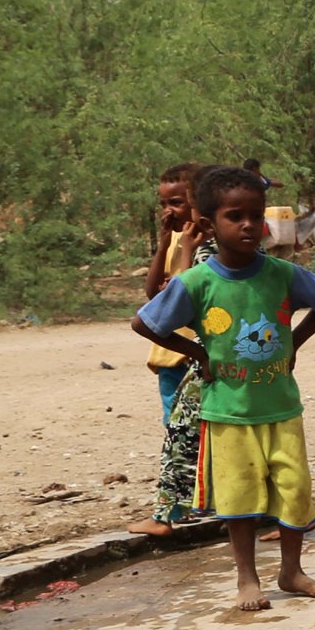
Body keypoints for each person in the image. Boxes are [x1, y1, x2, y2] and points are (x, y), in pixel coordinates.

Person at [132, 165, 315, 612]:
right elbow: (144, 322)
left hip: (282, 406)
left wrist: (293, 344)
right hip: (227, 412)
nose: (249, 225)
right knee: (239, 498)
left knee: (294, 490)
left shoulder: (282, 273)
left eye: (256, 214)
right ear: (209, 224)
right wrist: (199, 354)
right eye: (235, 216)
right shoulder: (197, 282)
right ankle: (247, 578)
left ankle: (292, 571)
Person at [129, 162, 210, 538]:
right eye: (164, 203)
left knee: (185, 433)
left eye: (178, 202)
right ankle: (185, 507)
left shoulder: (208, 248)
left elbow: (177, 298)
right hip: (173, 358)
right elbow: (153, 295)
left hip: (197, 356)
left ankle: (171, 513)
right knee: (179, 430)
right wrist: (166, 242)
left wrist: (183, 253)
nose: (169, 211)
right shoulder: (183, 241)